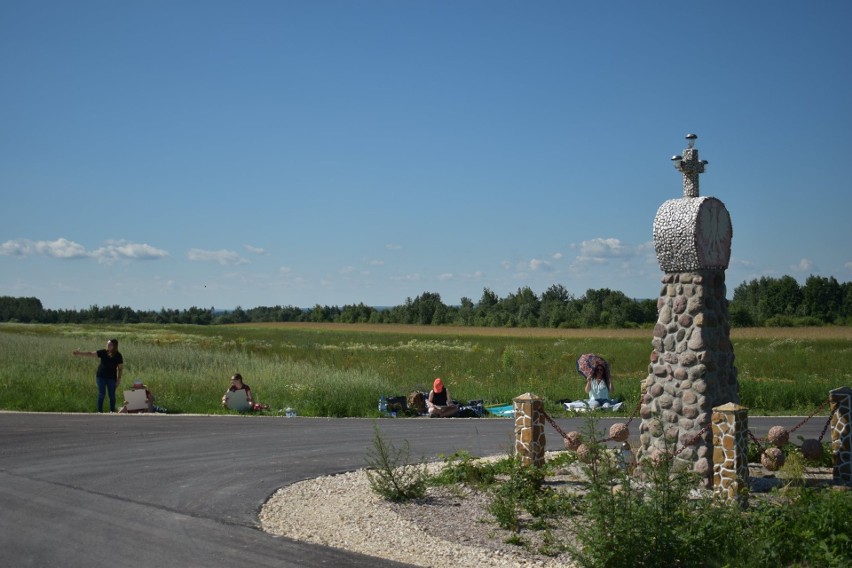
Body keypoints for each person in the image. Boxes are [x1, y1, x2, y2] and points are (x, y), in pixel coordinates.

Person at [73, 338, 124, 413]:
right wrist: (79, 353)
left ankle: (112, 411)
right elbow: (91, 353)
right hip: (101, 376)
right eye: (107, 343)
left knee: (112, 395)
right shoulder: (103, 352)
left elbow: (120, 369)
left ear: (114, 345)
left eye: (109, 344)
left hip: (112, 378)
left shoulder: (118, 355)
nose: (107, 345)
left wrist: (119, 380)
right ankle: (99, 411)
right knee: (101, 394)